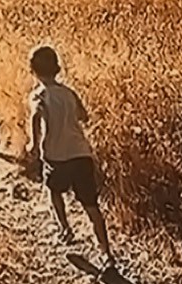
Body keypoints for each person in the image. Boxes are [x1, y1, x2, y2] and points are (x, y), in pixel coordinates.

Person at [23, 44, 114, 261]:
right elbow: (84, 116)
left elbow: (36, 116)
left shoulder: (38, 95)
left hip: (56, 156)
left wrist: (33, 144)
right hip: (81, 154)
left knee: (54, 190)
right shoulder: (69, 93)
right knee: (91, 205)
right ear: (58, 68)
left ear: (32, 70)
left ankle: (65, 229)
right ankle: (105, 252)